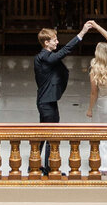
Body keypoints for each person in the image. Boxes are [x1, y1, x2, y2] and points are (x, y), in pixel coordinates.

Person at [35, 21, 91, 174]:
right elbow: (65, 51)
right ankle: (48, 168)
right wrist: (82, 33)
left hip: (47, 101)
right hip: (46, 103)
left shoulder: (42, 56)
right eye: (55, 40)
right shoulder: (46, 56)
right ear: (47, 43)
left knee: (43, 134)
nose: (57, 42)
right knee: (51, 135)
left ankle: (34, 163)